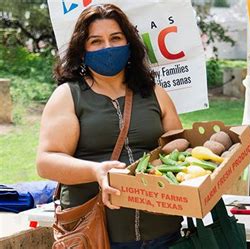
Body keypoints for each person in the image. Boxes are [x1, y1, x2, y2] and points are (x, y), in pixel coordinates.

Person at [36, 4, 183, 248]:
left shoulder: (155, 93)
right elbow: (46, 161)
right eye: (96, 41)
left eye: (116, 38)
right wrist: (96, 171)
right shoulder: (69, 96)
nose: (108, 47)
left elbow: (178, 145)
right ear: (82, 50)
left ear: (129, 44)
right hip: (98, 236)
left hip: (164, 232)